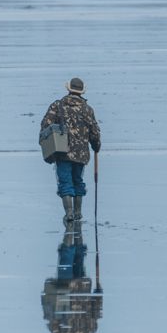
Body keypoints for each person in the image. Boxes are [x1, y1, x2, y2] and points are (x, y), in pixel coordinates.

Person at [40, 77, 101, 224]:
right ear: (81, 92)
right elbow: (94, 132)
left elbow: (45, 126)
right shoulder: (87, 109)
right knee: (78, 180)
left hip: (62, 151)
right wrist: (96, 146)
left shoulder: (58, 105)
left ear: (68, 89)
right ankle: (78, 213)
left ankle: (69, 214)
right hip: (81, 154)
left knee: (65, 181)